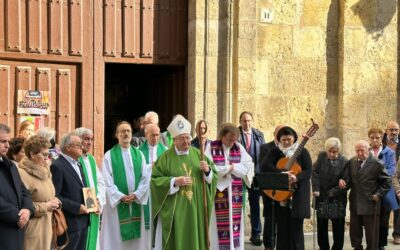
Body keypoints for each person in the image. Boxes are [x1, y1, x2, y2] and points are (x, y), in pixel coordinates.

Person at [151, 115, 217, 250]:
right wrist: (174, 181)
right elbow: (155, 181)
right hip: (175, 211)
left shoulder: (200, 155)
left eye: (188, 137)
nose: (186, 141)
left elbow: (213, 178)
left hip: (196, 209)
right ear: (174, 140)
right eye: (182, 138)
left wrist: (208, 171)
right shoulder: (165, 158)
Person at [100, 121, 151, 250]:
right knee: (116, 237)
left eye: (128, 131)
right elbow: (107, 180)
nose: (126, 133)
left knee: (137, 241)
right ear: (117, 135)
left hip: (136, 202)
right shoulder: (109, 156)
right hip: (117, 205)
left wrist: (137, 194)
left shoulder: (139, 154)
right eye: (122, 131)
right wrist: (120, 196)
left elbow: (145, 178)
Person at [261, 126, 312, 250]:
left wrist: (296, 177)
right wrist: (280, 173)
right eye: (283, 140)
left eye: (289, 139)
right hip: (281, 196)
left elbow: (308, 170)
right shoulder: (275, 151)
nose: (286, 142)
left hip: (297, 196)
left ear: (294, 138)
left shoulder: (302, 152)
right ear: (279, 140)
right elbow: (265, 166)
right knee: (282, 229)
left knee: (296, 231)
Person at [205, 123, 254, 250]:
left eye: (234, 140)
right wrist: (229, 167)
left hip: (234, 192)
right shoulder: (211, 146)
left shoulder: (238, 147)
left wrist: (232, 168)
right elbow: (209, 168)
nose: (232, 143)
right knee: (217, 225)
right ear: (222, 136)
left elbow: (247, 165)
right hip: (219, 192)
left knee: (235, 224)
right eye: (229, 139)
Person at [339, 140, 391, 250]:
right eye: (357, 150)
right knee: (355, 230)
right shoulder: (352, 161)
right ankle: (357, 247)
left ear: (368, 149)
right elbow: (349, 179)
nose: (359, 153)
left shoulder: (377, 163)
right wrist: (343, 182)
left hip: (370, 202)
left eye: (362, 150)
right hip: (355, 201)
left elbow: (387, 181)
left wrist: (378, 194)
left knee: (371, 232)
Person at [17, 135, 61, 250]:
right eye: (44, 155)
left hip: (49, 227)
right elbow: (20, 205)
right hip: (33, 229)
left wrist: (56, 201)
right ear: (32, 154)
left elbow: (49, 195)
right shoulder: (22, 173)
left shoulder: (45, 171)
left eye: (49, 154)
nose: (48, 158)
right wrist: (46, 206)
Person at [50, 133, 90, 250]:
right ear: (68, 148)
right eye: (78, 145)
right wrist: (77, 207)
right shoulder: (57, 166)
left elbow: (82, 188)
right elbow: (56, 196)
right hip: (70, 223)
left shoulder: (79, 163)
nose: (82, 148)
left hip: (84, 221)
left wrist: (92, 200)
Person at [0, 123, 34, 250]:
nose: (7, 145)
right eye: (3, 141)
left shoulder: (11, 165)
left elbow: (24, 192)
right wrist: (18, 216)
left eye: (8, 141)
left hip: (17, 230)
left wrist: (27, 209)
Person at [311, 137, 348, 250]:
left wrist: (332, 192)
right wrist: (316, 189)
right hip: (321, 197)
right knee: (322, 227)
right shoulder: (321, 156)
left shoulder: (345, 161)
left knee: (338, 228)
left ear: (339, 151)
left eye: (335, 152)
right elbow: (314, 172)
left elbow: (346, 180)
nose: (332, 154)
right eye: (330, 151)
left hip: (337, 199)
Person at [74, 127, 106, 250]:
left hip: (93, 207)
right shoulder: (75, 159)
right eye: (86, 139)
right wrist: (91, 203)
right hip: (81, 210)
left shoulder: (91, 159)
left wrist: (99, 200)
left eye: (91, 139)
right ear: (78, 140)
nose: (89, 143)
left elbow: (100, 182)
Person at [237, 111, 265, 246]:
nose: (246, 123)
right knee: (237, 205)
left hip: (255, 176)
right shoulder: (235, 134)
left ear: (252, 121)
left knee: (255, 205)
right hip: (239, 175)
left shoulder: (259, 135)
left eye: (249, 120)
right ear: (240, 122)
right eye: (244, 121)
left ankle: (255, 234)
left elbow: (263, 154)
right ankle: (236, 234)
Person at [368, 127, 398, 250]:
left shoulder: (389, 152)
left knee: (384, 219)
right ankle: (372, 244)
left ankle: (381, 244)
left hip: (385, 190)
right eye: (372, 137)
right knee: (370, 220)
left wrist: (375, 177)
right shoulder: (366, 150)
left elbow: (391, 171)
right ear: (369, 138)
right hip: (369, 190)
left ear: (382, 138)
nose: (375, 140)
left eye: (378, 137)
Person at [259, 125, 284, 250]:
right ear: (275, 134)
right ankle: (268, 245)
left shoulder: (289, 149)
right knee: (269, 217)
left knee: (283, 217)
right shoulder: (265, 148)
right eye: (280, 133)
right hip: (270, 187)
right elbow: (264, 167)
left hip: (284, 189)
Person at [382, 121, 400, 244]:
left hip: (397, 180)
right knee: (385, 209)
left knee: (399, 208)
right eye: (391, 130)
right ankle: (382, 235)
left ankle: (397, 234)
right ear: (386, 130)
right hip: (384, 179)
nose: (394, 132)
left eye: (396, 130)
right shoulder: (381, 143)